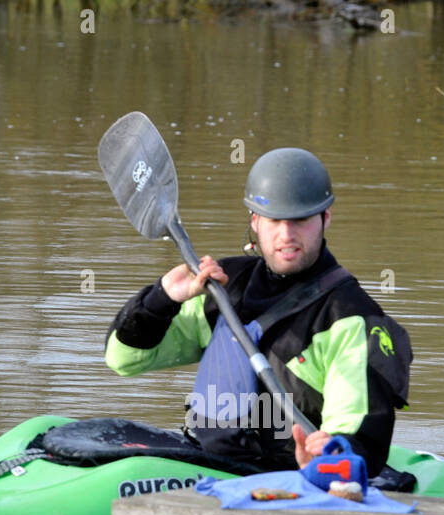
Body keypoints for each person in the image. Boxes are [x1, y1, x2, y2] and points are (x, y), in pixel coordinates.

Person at [105, 147, 410, 478]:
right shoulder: (221, 287)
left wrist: (332, 455)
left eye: (301, 220)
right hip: (209, 462)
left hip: (295, 475)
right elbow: (124, 359)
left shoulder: (352, 319)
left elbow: (357, 436)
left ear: (325, 218)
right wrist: (162, 299)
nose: (286, 235)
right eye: (275, 220)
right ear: (255, 221)